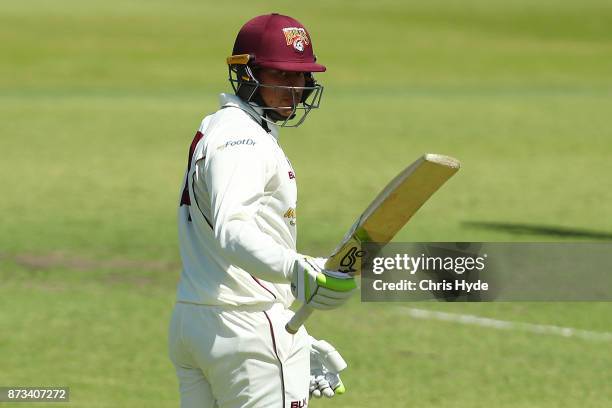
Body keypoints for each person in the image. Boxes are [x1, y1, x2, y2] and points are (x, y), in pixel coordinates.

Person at [168, 13, 357, 408]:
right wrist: (297, 268)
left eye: (302, 76)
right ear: (248, 74)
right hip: (246, 327)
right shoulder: (245, 142)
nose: (295, 88)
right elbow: (232, 230)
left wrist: (295, 341)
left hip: (196, 322)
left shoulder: (223, 126)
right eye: (281, 75)